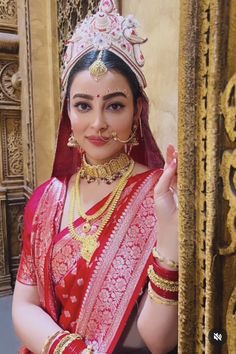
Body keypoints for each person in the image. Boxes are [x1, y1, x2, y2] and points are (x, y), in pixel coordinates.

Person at [12, 1, 179, 353]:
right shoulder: (47, 201)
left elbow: (158, 341)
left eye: (115, 105)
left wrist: (169, 240)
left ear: (137, 112)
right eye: (83, 105)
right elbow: (24, 305)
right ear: (68, 114)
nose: (98, 123)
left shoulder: (158, 195)